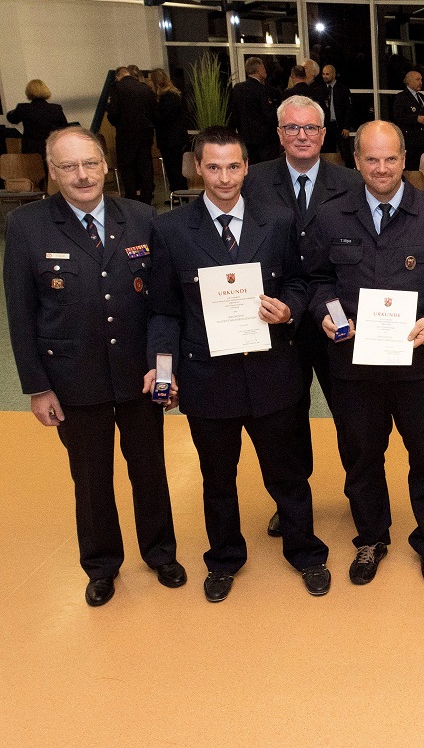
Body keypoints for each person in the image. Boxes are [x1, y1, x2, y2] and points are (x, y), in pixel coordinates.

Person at [147, 126, 331, 602]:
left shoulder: (278, 221)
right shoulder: (170, 230)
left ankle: (305, 551)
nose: (224, 177)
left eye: (233, 166)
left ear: (247, 168)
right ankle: (225, 558)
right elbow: (165, 309)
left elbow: (299, 280)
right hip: (209, 379)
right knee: (218, 478)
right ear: (197, 168)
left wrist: (288, 309)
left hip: (273, 372)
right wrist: (163, 368)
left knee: (288, 474)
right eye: (213, 167)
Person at [4, 126, 185, 608]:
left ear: (106, 165)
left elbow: (163, 306)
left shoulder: (145, 219)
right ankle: (102, 565)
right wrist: (37, 387)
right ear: (52, 172)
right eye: (67, 166)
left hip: (139, 377)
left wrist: (162, 367)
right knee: (90, 477)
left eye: (89, 163)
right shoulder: (28, 226)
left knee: (149, 469)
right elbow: (20, 314)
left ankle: (160, 553)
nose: (81, 175)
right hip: (72, 379)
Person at [305, 121, 424, 585]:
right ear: (357, 161)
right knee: (361, 454)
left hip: (420, 365)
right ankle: (370, 538)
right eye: (371, 159)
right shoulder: (331, 215)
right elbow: (316, 280)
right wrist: (327, 313)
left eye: (390, 159)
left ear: (404, 160)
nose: (381, 168)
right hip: (353, 366)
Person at [242, 95, 362, 538]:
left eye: (310, 128)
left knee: (352, 414)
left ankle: (359, 491)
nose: (302, 136)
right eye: (292, 128)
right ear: (279, 134)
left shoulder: (351, 181)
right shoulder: (252, 181)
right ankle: (290, 502)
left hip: (337, 318)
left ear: (323, 133)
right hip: (277, 319)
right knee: (284, 421)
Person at [106, 65, 158, 204]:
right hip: (145, 133)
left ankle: (131, 199)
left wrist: (117, 123)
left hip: (126, 134)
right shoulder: (145, 88)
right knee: (145, 166)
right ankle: (147, 198)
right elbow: (154, 112)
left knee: (127, 167)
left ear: (118, 76)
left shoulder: (117, 88)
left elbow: (113, 113)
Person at [230, 57, 282, 165]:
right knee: (267, 171)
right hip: (265, 143)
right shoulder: (263, 90)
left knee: (249, 172)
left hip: (245, 140)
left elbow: (234, 115)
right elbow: (269, 116)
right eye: (263, 67)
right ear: (258, 69)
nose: (265, 70)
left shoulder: (238, 89)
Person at [6, 79, 68, 168]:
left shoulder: (23, 108)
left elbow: (12, 119)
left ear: (28, 92)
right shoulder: (56, 108)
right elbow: (64, 128)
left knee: (33, 174)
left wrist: (12, 112)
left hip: (31, 150)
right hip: (51, 149)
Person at [148, 68, 189, 193]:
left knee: (173, 168)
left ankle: (177, 193)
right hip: (175, 138)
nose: (148, 82)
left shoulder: (167, 97)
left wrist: (152, 111)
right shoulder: (174, 94)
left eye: (150, 80)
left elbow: (163, 118)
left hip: (170, 139)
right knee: (176, 167)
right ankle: (179, 192)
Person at [393, 70, 424, 171]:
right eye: (417, 79)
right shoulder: (401, 97)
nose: (421, 82)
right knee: (412, 169)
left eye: (421, 79)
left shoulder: (422, 97)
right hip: (411, 141)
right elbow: (398, 116)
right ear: (409, 81)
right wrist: (416, 118)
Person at [321, 64, 354, 166]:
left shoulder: (342, 89)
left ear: (334, 74)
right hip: (327, 125)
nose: (325, 76)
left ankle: (350, 171)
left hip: (340, 126)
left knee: (345, 152)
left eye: (327, 74)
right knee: (328, 151)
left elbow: (349, 109)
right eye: (323, 74)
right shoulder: (321, 90)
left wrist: (346, 126)